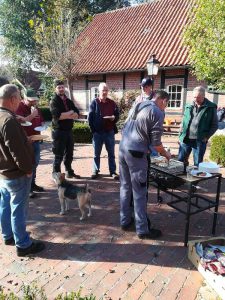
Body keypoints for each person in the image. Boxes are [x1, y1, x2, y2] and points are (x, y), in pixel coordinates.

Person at [0, 84, 45, 256]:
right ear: (12, 99)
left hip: (4, 172)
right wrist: (27, 169)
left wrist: (24, 138)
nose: (20, 101)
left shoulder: (6, 117)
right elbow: (16, 150)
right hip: (16, 173)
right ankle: (23, 244)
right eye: (19, 97)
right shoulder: (8, 120)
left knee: (5, 205)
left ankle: (8, 236)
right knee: (18, 208)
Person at [119, 90, 171, 239]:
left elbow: (124, 127)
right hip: (136, 153)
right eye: (166, 104)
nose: (165, 108)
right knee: (140, 192)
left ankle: (125, 221)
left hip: (123, 148)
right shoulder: (157, 112)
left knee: (125, 187)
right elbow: (156, 143)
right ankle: (142, 230)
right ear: (163, 100)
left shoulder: (138, 105)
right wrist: (165, 154)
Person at [178, 86, 218, 166]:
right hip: (185, 139)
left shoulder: (211, 107)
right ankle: (179, 177)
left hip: (199, 140)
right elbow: (183, 121)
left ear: (204, 96)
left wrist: (207, 137)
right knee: (180, 162)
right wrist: (180, 136)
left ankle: (195, 178)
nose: (196, 99)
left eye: (198, 97)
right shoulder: (188, 105)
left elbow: (214, 125)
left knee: (197, 164)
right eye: (194, 97)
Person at [16, 88, 45, 198]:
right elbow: (21, 122)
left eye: (35, 100)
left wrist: (42, 124)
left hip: (36, 139)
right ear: (24, 98)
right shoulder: (19, 107)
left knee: (35, 163)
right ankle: (27, 189)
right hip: (26, 141)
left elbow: (40, 119)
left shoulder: (35, 108)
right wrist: (32, 115)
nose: (34, 102)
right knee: (28, 165)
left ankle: (32, 185)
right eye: (31, 100)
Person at [88, 82, 119, 180]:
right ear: (99, 91)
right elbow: (90, 118)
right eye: (103, 90)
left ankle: (113, 171)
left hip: (109, 132)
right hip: (98, 133)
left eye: (106, 90)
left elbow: (117, 115)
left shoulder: (112, 103)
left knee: (111, 154)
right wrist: (93, 131)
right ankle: (95, 171)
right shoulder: (94, 102)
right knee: (96, 154)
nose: (105, 92)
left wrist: (114, 118)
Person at [50, 80, 80, 178]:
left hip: (68, 131)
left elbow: (76, 114)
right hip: (58, 131)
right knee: (58, 154)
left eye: (62, 87)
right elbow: (58, 116)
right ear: (55, 89)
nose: (61, 89)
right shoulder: (54, 101)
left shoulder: (69, 101)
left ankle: (69, 171)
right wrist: (70, 113)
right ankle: (56, 174)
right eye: (59, 87)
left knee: (69, 153)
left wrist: (67, 114)